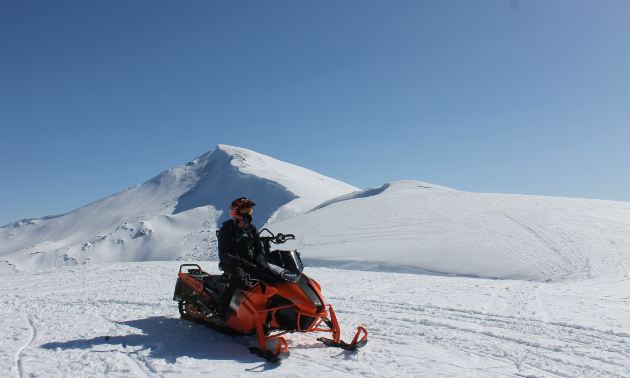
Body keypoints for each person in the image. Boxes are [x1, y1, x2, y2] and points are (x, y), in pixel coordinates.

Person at [215, 197, 265, 319]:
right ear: (236, 211)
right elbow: (223, 254)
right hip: (232, 264)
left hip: (250, 263)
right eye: (246, 209)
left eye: (250, 210)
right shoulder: (227, 229)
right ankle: (222, 307)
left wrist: (259, 257)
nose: (248, 213)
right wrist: (239, 261)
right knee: (238, 276)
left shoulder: (252, 228)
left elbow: (260, 247)